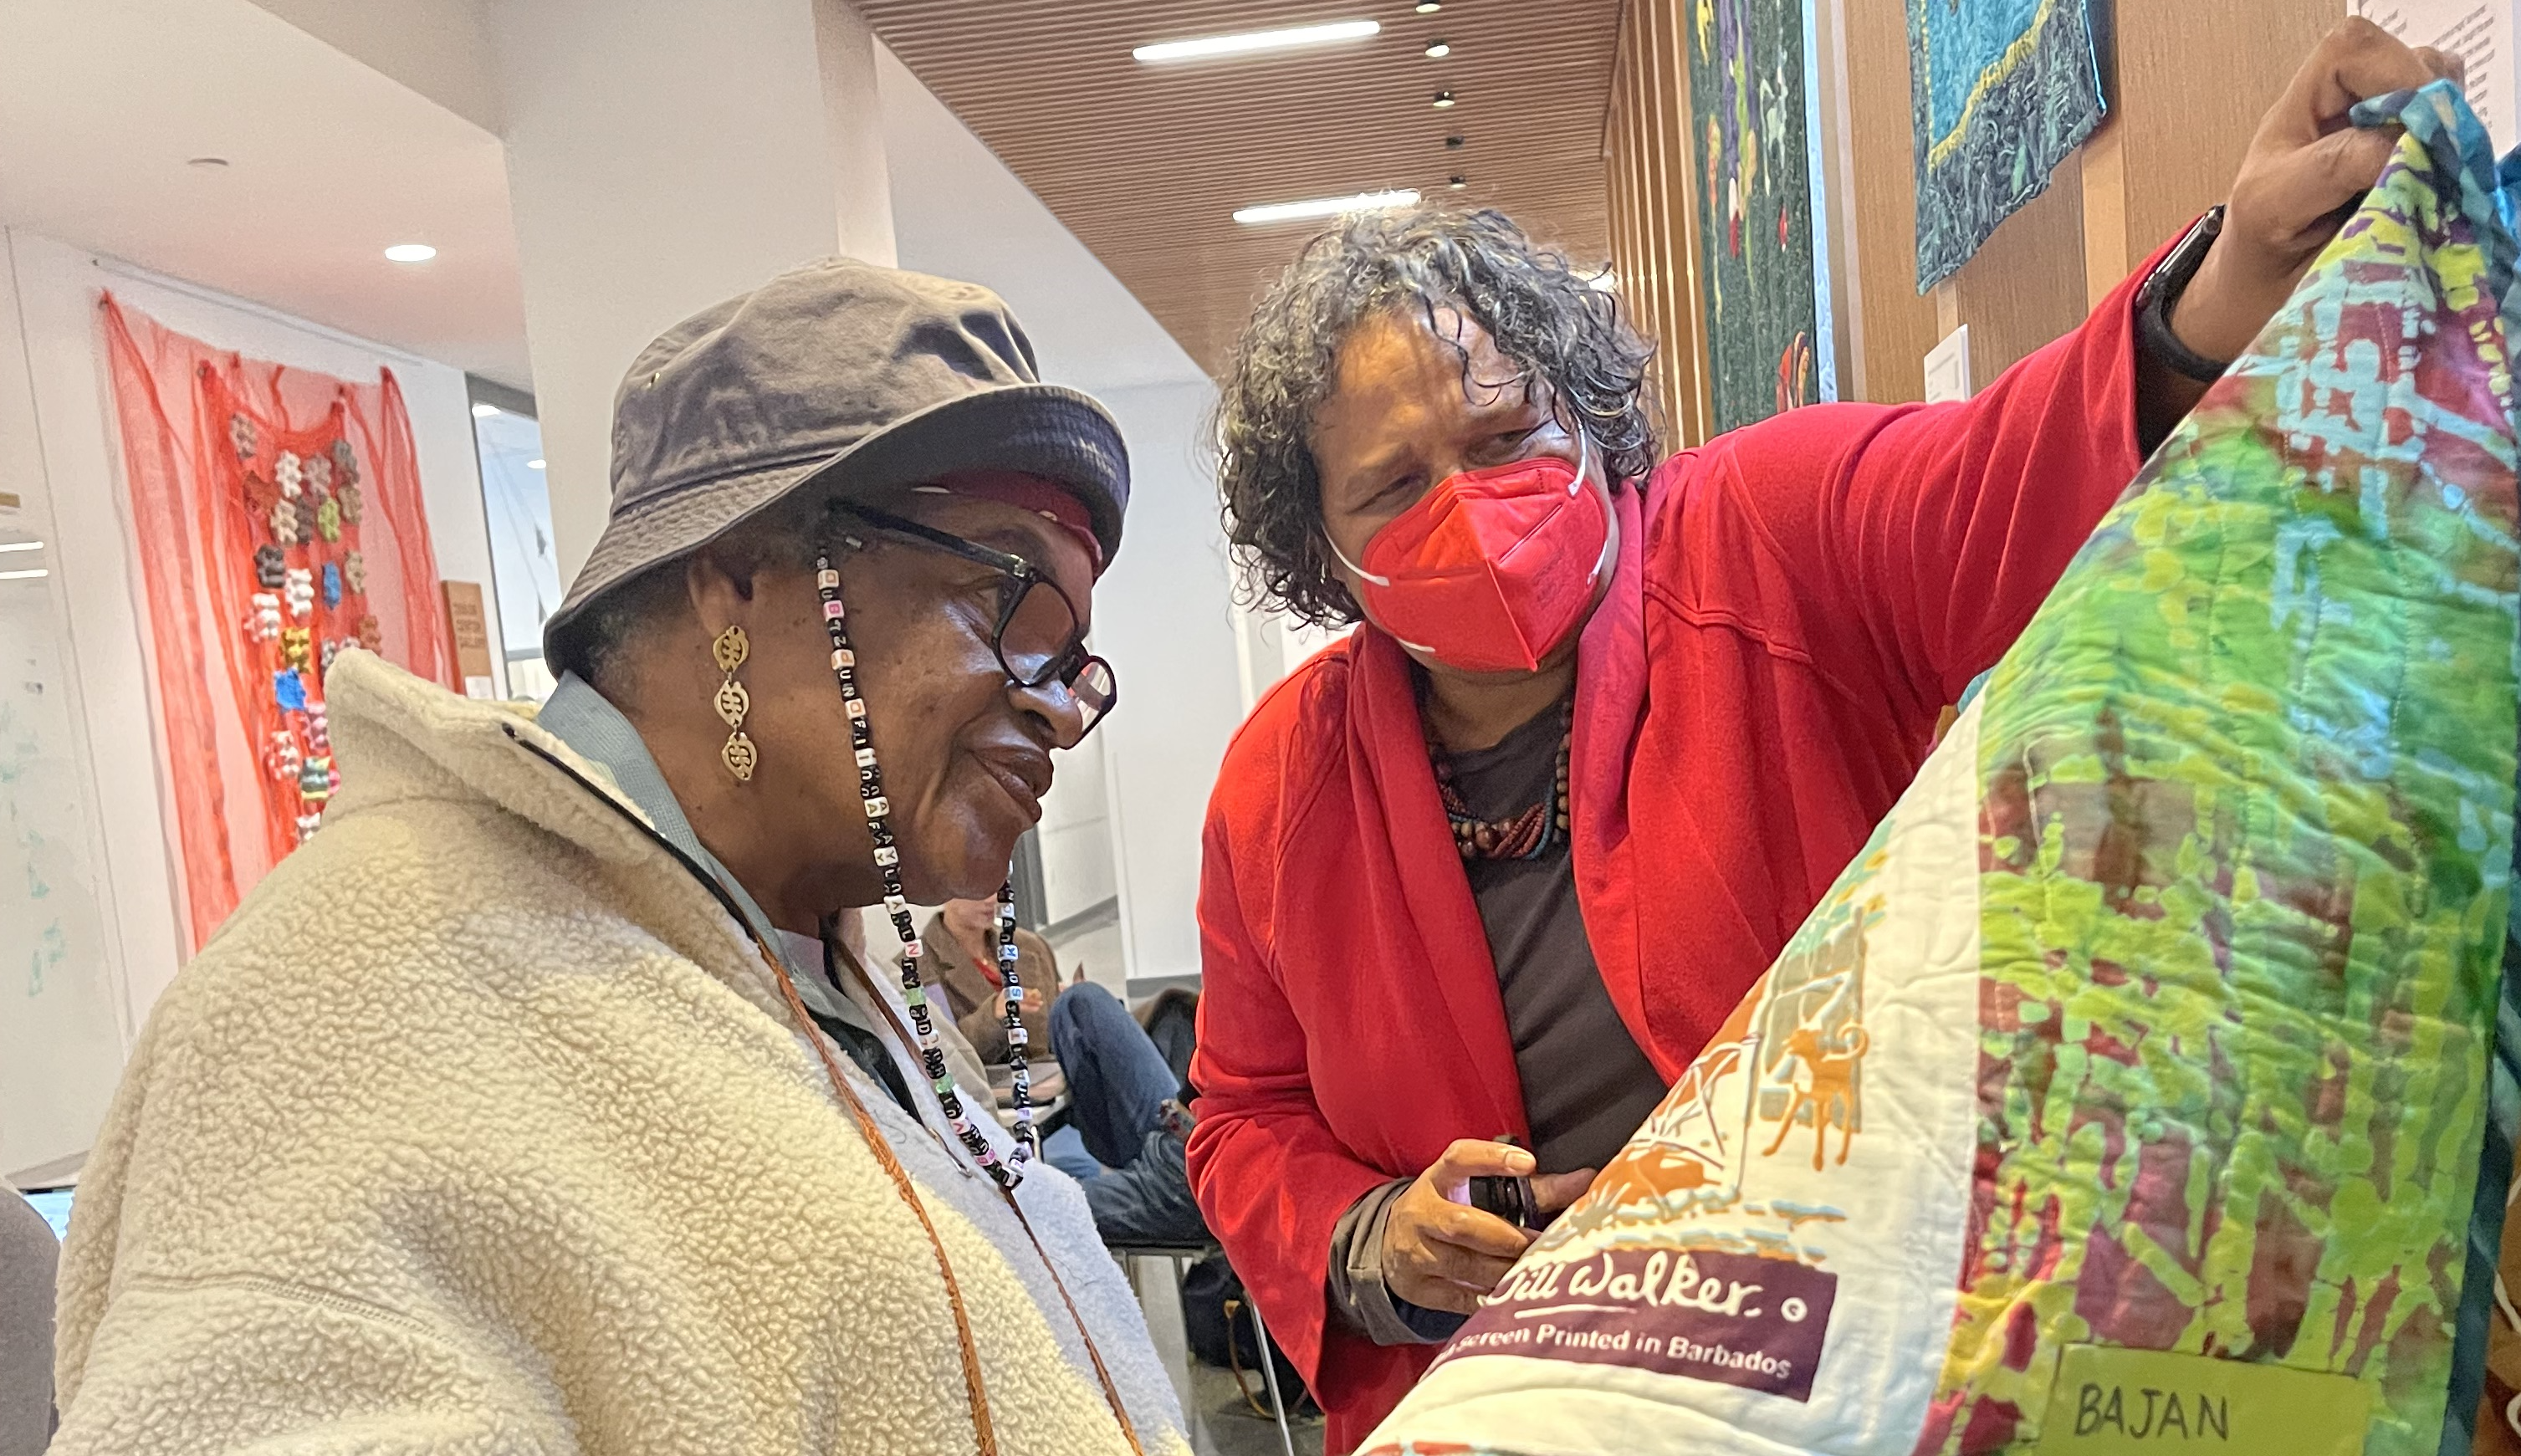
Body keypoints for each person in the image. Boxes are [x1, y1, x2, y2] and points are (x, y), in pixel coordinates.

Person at [1182, 21, 2460, 1449]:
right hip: (1533, 1407)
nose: (1468, 509)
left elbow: (1999, 479)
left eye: (1499, 439)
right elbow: (1239, 1114)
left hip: (1869, 1367)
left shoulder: (1761, 533)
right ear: (1320, 551)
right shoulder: (1275, 789)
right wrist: (1371, 1244)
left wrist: (2218, 287)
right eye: (1392, 488)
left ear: (1587, 415)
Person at [48, 258, 1187, 1454]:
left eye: (1072, 665)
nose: (1057, 707)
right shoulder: (352, 988)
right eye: (1009, 607)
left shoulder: (802, 954)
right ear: (740, 571)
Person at [922, 894, 1064, 1082]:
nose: (992, 898)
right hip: (992, 1093)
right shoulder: (916, 970)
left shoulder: (1031, 945)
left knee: (1082, 1000)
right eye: (977, 888)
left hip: (1058, 1081)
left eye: (995, 883)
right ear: (942, 888)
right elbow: (945, 1059)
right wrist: (993, 1015)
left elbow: (1051, 1038)